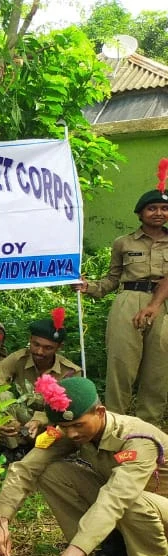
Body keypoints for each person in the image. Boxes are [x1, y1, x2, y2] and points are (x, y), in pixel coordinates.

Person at [0, 376, 168, 556]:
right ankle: (115, 550)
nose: (71, 434)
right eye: (65, 427)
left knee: (129, 500)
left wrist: (72, 555)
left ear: (100, 412)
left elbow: (115, 499)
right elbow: (26, 468)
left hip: (153, 508)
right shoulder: (74, 432)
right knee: (53, 473)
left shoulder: (138, 440)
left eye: (78, 425)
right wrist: (1, 520)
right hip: (135, 508)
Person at [79, 165, 168, 422]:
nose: (159, 213)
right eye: (152, 208)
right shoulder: (123, 242)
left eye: (164, 208)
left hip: (162, 306)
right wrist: (89, 287)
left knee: (159, 371)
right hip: (128, 301)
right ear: (140, 213)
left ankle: (147, 430)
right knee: (121, 367)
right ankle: (115, 424)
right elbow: (112, 279)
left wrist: (154, 305)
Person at [0, 309, 81, 457]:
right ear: (30, 339)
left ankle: (50, 452)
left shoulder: (70, 371)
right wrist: (6, 419)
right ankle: (14, 448)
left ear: (59, 347)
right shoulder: (19, 358)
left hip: (52, 421)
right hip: (22, 420)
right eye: (35, 344)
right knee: (0, 396)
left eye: (48, 348)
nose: (39, 351)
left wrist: (40, 420)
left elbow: (70, 409)